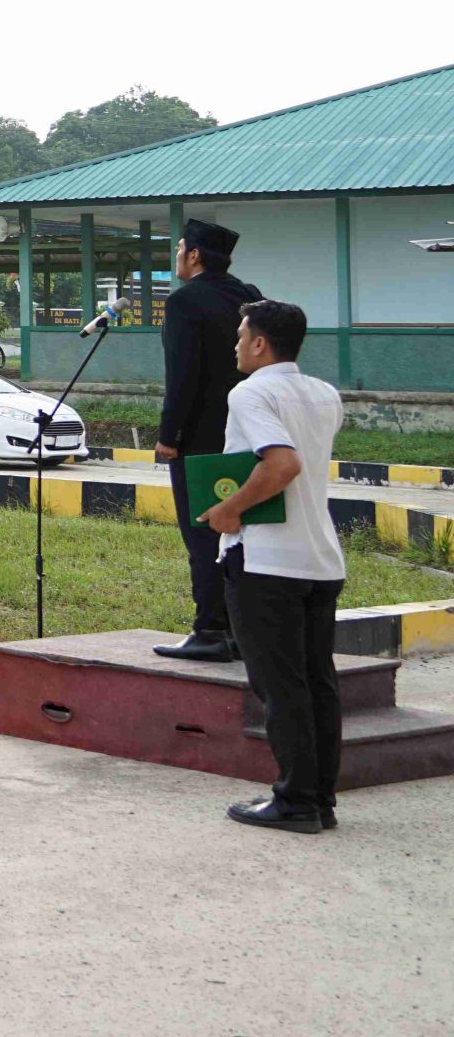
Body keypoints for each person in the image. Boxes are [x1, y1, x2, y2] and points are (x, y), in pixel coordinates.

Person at [204, 299, 346, 833]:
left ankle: (295, 802)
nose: (237, 344)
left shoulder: (250, 392)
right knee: (317, 682)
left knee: (281, 686)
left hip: (266, 562)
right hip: (320, 558)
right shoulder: (325, 393)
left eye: (241, 335)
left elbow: (281, 463)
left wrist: (229, 509)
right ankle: (319, 799)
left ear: (260, 343)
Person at [153, 218, 263, 663]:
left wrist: (169, 436)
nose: (178, 255)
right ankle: (240, 630)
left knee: (202, 532)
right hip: (246, 433)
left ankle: (210, 628)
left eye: (180, 247)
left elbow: (182, 375)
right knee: (239, 532)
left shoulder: (184, 301)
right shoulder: (249, 294)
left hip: (198, 438)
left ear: (194, 255)